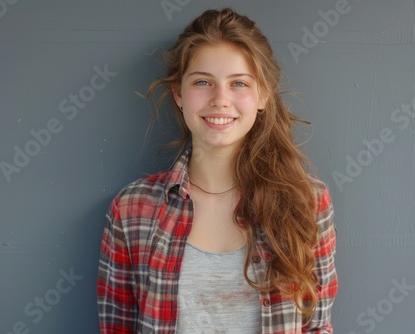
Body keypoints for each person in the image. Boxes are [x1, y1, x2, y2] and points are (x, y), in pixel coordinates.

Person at [97, 7, 337, 334]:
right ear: (179, 94)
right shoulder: (131, 211)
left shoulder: (307, 202)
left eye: (238, 83)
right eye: (202, 82)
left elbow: (317, 326)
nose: (220, 99)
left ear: (263, 95)